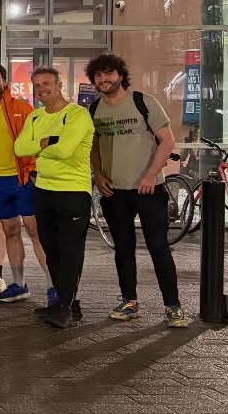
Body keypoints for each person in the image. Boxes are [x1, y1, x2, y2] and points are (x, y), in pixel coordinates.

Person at [87, 54, 188, 327]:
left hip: (149, 189)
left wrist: (151, 174)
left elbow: (167, 142)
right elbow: (93, 146)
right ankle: (129, 302)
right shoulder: (94, 109)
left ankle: (173, 307)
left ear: (120, 75)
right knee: (123, 248)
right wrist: (98, 175)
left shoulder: (144, 102)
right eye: (98, 75)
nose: (103, 79)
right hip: (114, 192)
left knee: (158, 247)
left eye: (108, 73)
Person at [14, 67, 95, 328]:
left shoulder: (77, 115)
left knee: (70, 251)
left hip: (72, 191)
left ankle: (64, 306)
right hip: (43, 190)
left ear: (60, 84)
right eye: (36, 85)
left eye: (47, 83)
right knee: (51, 249)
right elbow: (19, 148)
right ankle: (66, 303)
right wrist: (47, 142)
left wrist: (42, 146)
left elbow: (66, 150)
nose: (41, 89)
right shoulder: (35, 117)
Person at [0, 62, 49, 304]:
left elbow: (36, 143)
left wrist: (33, 171)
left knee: (36, 232)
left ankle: (53, 286)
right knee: (10, 231)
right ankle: (18, 284)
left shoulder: (23, 108)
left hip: (23, 178)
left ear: (5, 81)